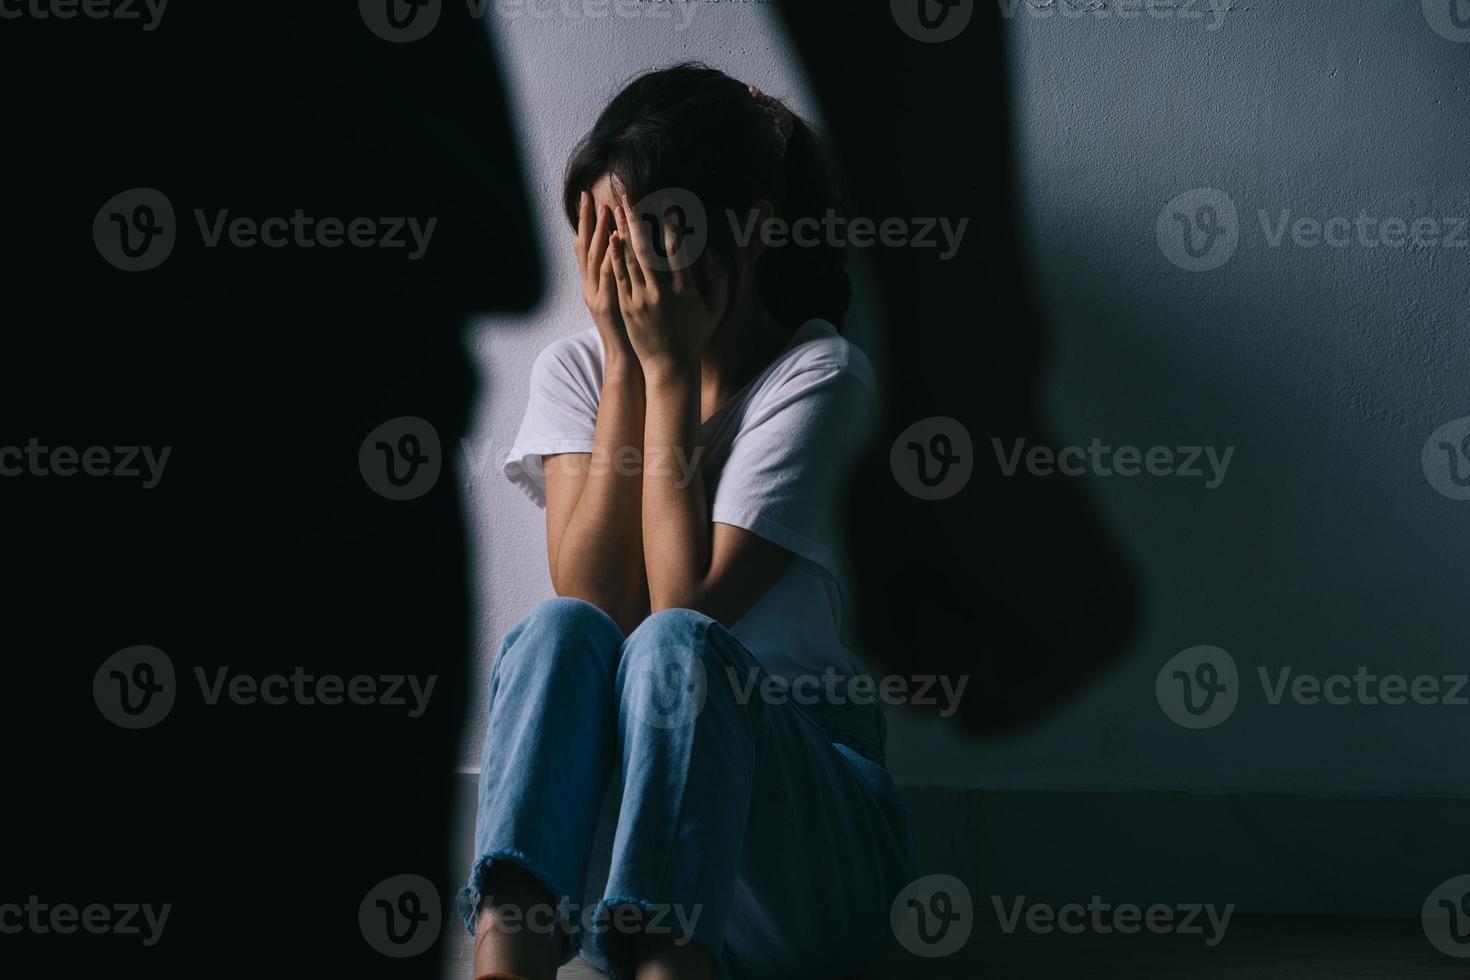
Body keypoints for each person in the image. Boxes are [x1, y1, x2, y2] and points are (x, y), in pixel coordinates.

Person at [461, 63, 915, 980]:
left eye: (643, 240)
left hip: (801, 854)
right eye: (599, 242)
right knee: (557, 629)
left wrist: (668, 374)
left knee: (680, 645)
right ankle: (505, 962)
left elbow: (682, 603)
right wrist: (627, 371)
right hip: (623, 862)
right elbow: (596, 598)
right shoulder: (579, 373)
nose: (620, 275)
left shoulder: (818, 380)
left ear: (746, 232)